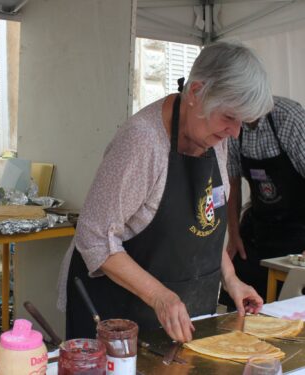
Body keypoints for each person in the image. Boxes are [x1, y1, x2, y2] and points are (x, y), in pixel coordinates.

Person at [57, 41, 273, 343]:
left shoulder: (215, 137)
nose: (235, 132)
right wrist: (160, 296)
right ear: (196, 92)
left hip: (185, 320)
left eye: (241, 122)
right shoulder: (142, 142)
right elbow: (93, 237)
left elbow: (206, 225)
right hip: (116, 319)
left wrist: (232, 279)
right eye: (229, 117)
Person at [219, 96, 305, 308]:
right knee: (238, 296)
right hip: (260, 224)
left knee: (287, 307)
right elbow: (233, 182)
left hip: (298, 228)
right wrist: (234, 233)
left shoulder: (288, 117)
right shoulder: (232, 124)